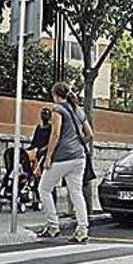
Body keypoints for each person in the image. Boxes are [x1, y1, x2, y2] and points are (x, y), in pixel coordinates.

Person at [37, 82, 94, 243]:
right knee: (76, 193)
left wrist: (48, 157)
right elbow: (90, 135)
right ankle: (82, 229)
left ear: (55, 95)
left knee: (44, 189)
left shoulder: (57, 109)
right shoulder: (79, 110)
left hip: (62, 157)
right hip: (79, 157)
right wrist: (77, 143)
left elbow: (55, 134)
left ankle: (53, 226)